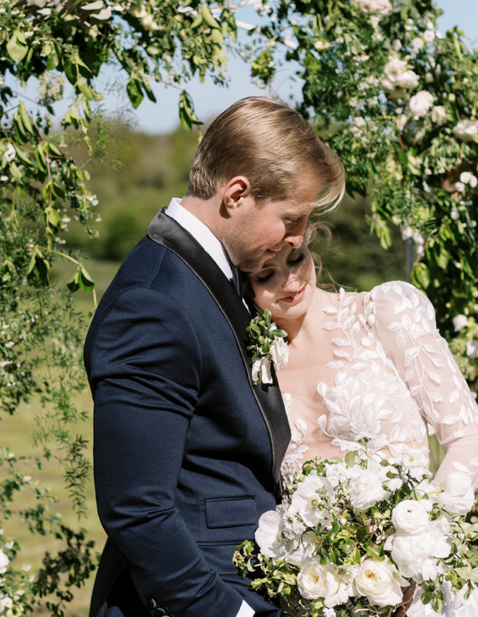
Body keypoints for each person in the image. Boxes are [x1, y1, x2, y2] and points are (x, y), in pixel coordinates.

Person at [83, 96, 345, 617]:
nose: (298, 238)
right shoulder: (154, 303)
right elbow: (137, 509)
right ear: (237, 193)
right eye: (291, 218)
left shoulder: (213, 275)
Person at [245, 236, 478, 617]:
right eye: (266, 275)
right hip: (321, 596)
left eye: (297, 259)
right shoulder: (254, 364)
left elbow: (467, 437)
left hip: (419, 587)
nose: (290, 280)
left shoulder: (384, 311)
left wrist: (416, 545)